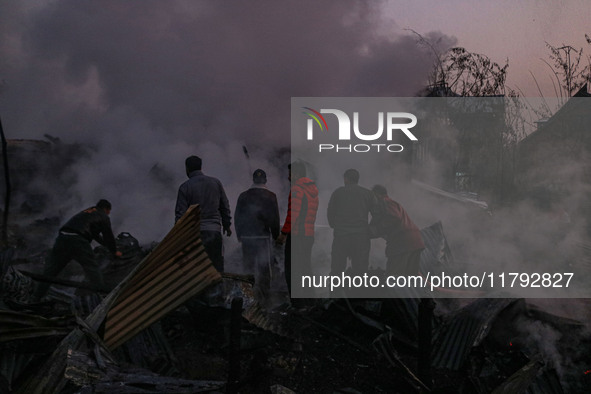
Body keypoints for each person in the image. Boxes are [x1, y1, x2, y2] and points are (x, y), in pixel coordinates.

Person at [33, 199, 122, 300]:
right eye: (109, 212)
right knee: (92, 267)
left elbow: (95, 235)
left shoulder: (88, 212)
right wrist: (114, 251)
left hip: (62, 238)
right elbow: (108, 236)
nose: (109, 214)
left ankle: (36, 297)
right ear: (106, 209)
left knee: (51, 271)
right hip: (77, 241)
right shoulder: (103, 216)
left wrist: (106, 246)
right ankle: (103, 297)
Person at [175, 155, 232, 272]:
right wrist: (227, 225)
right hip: (214, 232)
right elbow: (224, 206)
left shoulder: (185, 187)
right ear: (201, 167)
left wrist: (178, 236)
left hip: (195, 235)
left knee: (196, 269)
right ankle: (218, 290)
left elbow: (180, 215)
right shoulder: (216, 183)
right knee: (216, 268)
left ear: (187, 169)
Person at [235, 169, 280, 299]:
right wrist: (276, 236)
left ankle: (247, 295)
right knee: (264, 268)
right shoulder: (271, 196)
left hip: (247, 238)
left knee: (248, 267)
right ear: (265, 180)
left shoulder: (243, 196)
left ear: (253, 180)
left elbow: (238, 217)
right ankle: (265, 296)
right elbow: (274, 218)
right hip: (263, 238)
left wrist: (239, 235)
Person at [276, 162, 318, 302]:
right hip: (308, 235)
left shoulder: (297, 189)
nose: (288, 177)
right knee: (305, 268)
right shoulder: (311, 190)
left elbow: (293, 214)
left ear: (296, 174)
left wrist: (283, 233)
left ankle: (297, 304)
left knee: (293, 270)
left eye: (290, 173)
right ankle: (310, 301)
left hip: (297, 236)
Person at [327, 169, 377, 275]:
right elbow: (378, 215)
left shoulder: (338, 193)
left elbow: (330, 213)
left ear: (346, 179)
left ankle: (336, 291)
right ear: (357, 179)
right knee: (360, 271)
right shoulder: (368, 194)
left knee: (337, 269)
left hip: (341, 237)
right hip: (361, 238)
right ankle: (358, 291)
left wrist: (335, 225)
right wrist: (369, 230)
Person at [371, 184, 424, 276]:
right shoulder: (392, 203)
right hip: (415, 241)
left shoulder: (385, 202)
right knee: (410, 277)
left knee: (394, 276)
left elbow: (394, 217)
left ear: (377, 195)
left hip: (403, 243)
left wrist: (378, 228)